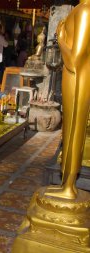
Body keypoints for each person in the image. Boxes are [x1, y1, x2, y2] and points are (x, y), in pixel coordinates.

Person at [46, 0, 90, 199]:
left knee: (74, 130)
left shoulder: (85, 11)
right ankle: (65, 182)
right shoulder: (77, 11)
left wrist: (60, 36)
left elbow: (75, 59)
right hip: (70, 77)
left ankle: (69, 185)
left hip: (78, 77)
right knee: (68, 130)